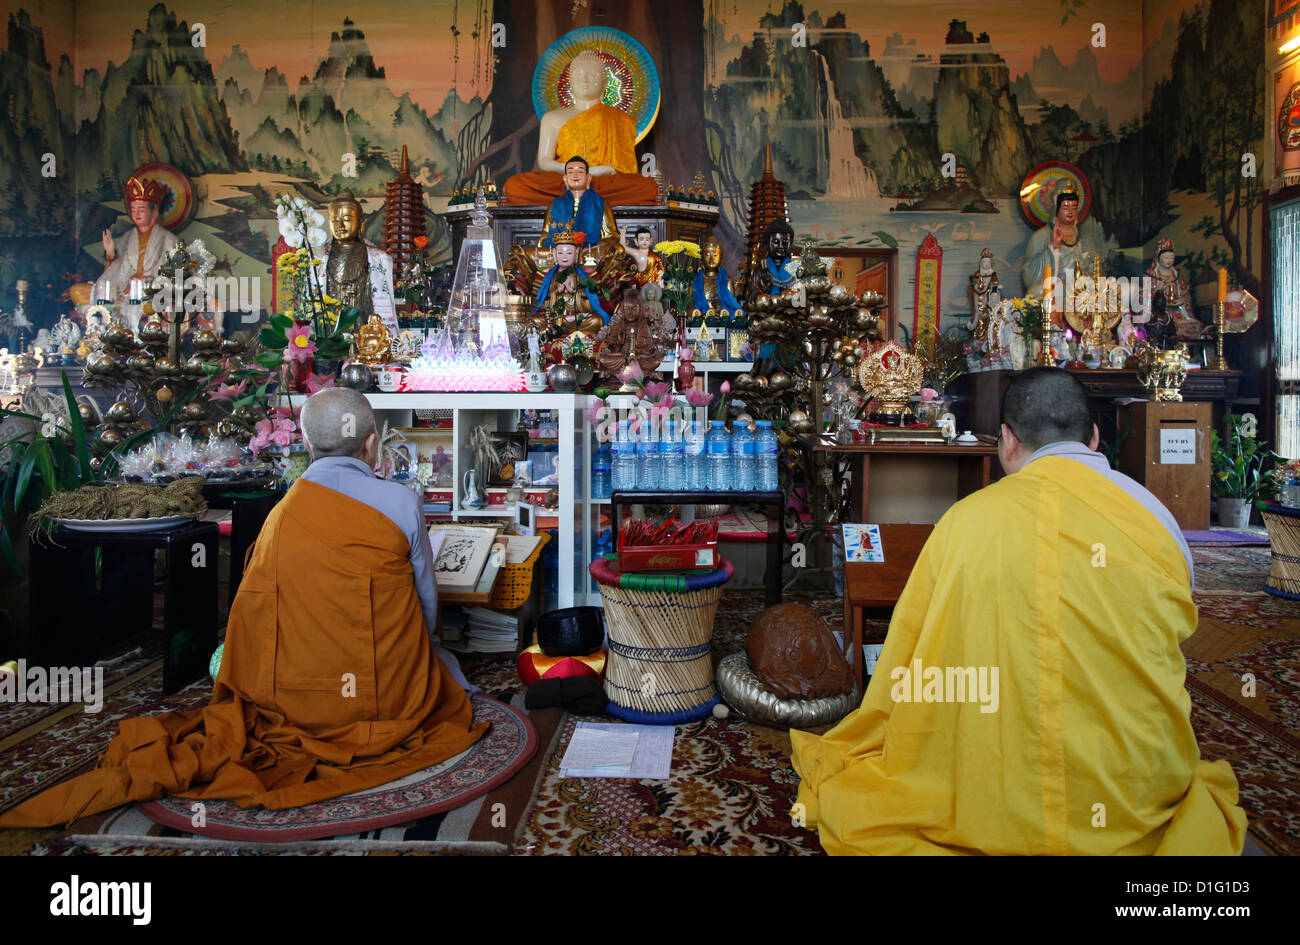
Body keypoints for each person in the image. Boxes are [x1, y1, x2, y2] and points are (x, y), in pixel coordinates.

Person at [791, 368, 1247, 855]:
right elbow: (1167, 635)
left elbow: (910, 654)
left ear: (1006, 441)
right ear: (1093, 438)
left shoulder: (964, 521)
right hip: (1131, 792)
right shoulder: (1156, 518)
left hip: (988, 784)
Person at [0, 388, 486, 827]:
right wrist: (422, 655)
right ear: (373, 444)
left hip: (290, 692)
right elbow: (424, 602)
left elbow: (253, 613)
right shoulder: (399, 501)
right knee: (441, 672)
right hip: (383, 692)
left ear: (308, 445)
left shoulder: (283, 511)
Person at [503, 48, 658, 206]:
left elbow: (624, 169)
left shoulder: (620, 119)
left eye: (592, 74)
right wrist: (575, 171)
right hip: (566, 181)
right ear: (569, 82)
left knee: (648, 186)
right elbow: (544, 161)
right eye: (578, 75)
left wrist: (598, 172)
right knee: (515, 185)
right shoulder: (552, 118)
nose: (585, 80)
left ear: (605, 82)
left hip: (604, 183)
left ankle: (584, 195)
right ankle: (579, 190)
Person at [1021, 190, 1106, 296]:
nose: (1070, 212)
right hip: (1057, 287)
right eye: (1065, 208)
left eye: (1074, 208)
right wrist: (1052, 248)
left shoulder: (1086, 238)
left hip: (1082, 288)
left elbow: (1097, 269)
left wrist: (1086, 264)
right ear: (1056, 209)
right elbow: (1028, 274)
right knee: (1036, 292)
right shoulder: (1041, 236)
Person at [539, 156, 619, 251]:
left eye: (580, 172)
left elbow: (611, 237)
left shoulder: (599, 203)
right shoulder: (556, 204)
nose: (575, 175)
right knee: (533, 252)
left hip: (589, 252)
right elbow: (545, 236)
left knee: (619, 250)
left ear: (588, 178)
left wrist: (592, 248)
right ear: (565, 179)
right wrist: (558, 248)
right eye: (571, 172)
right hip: (560, 252)